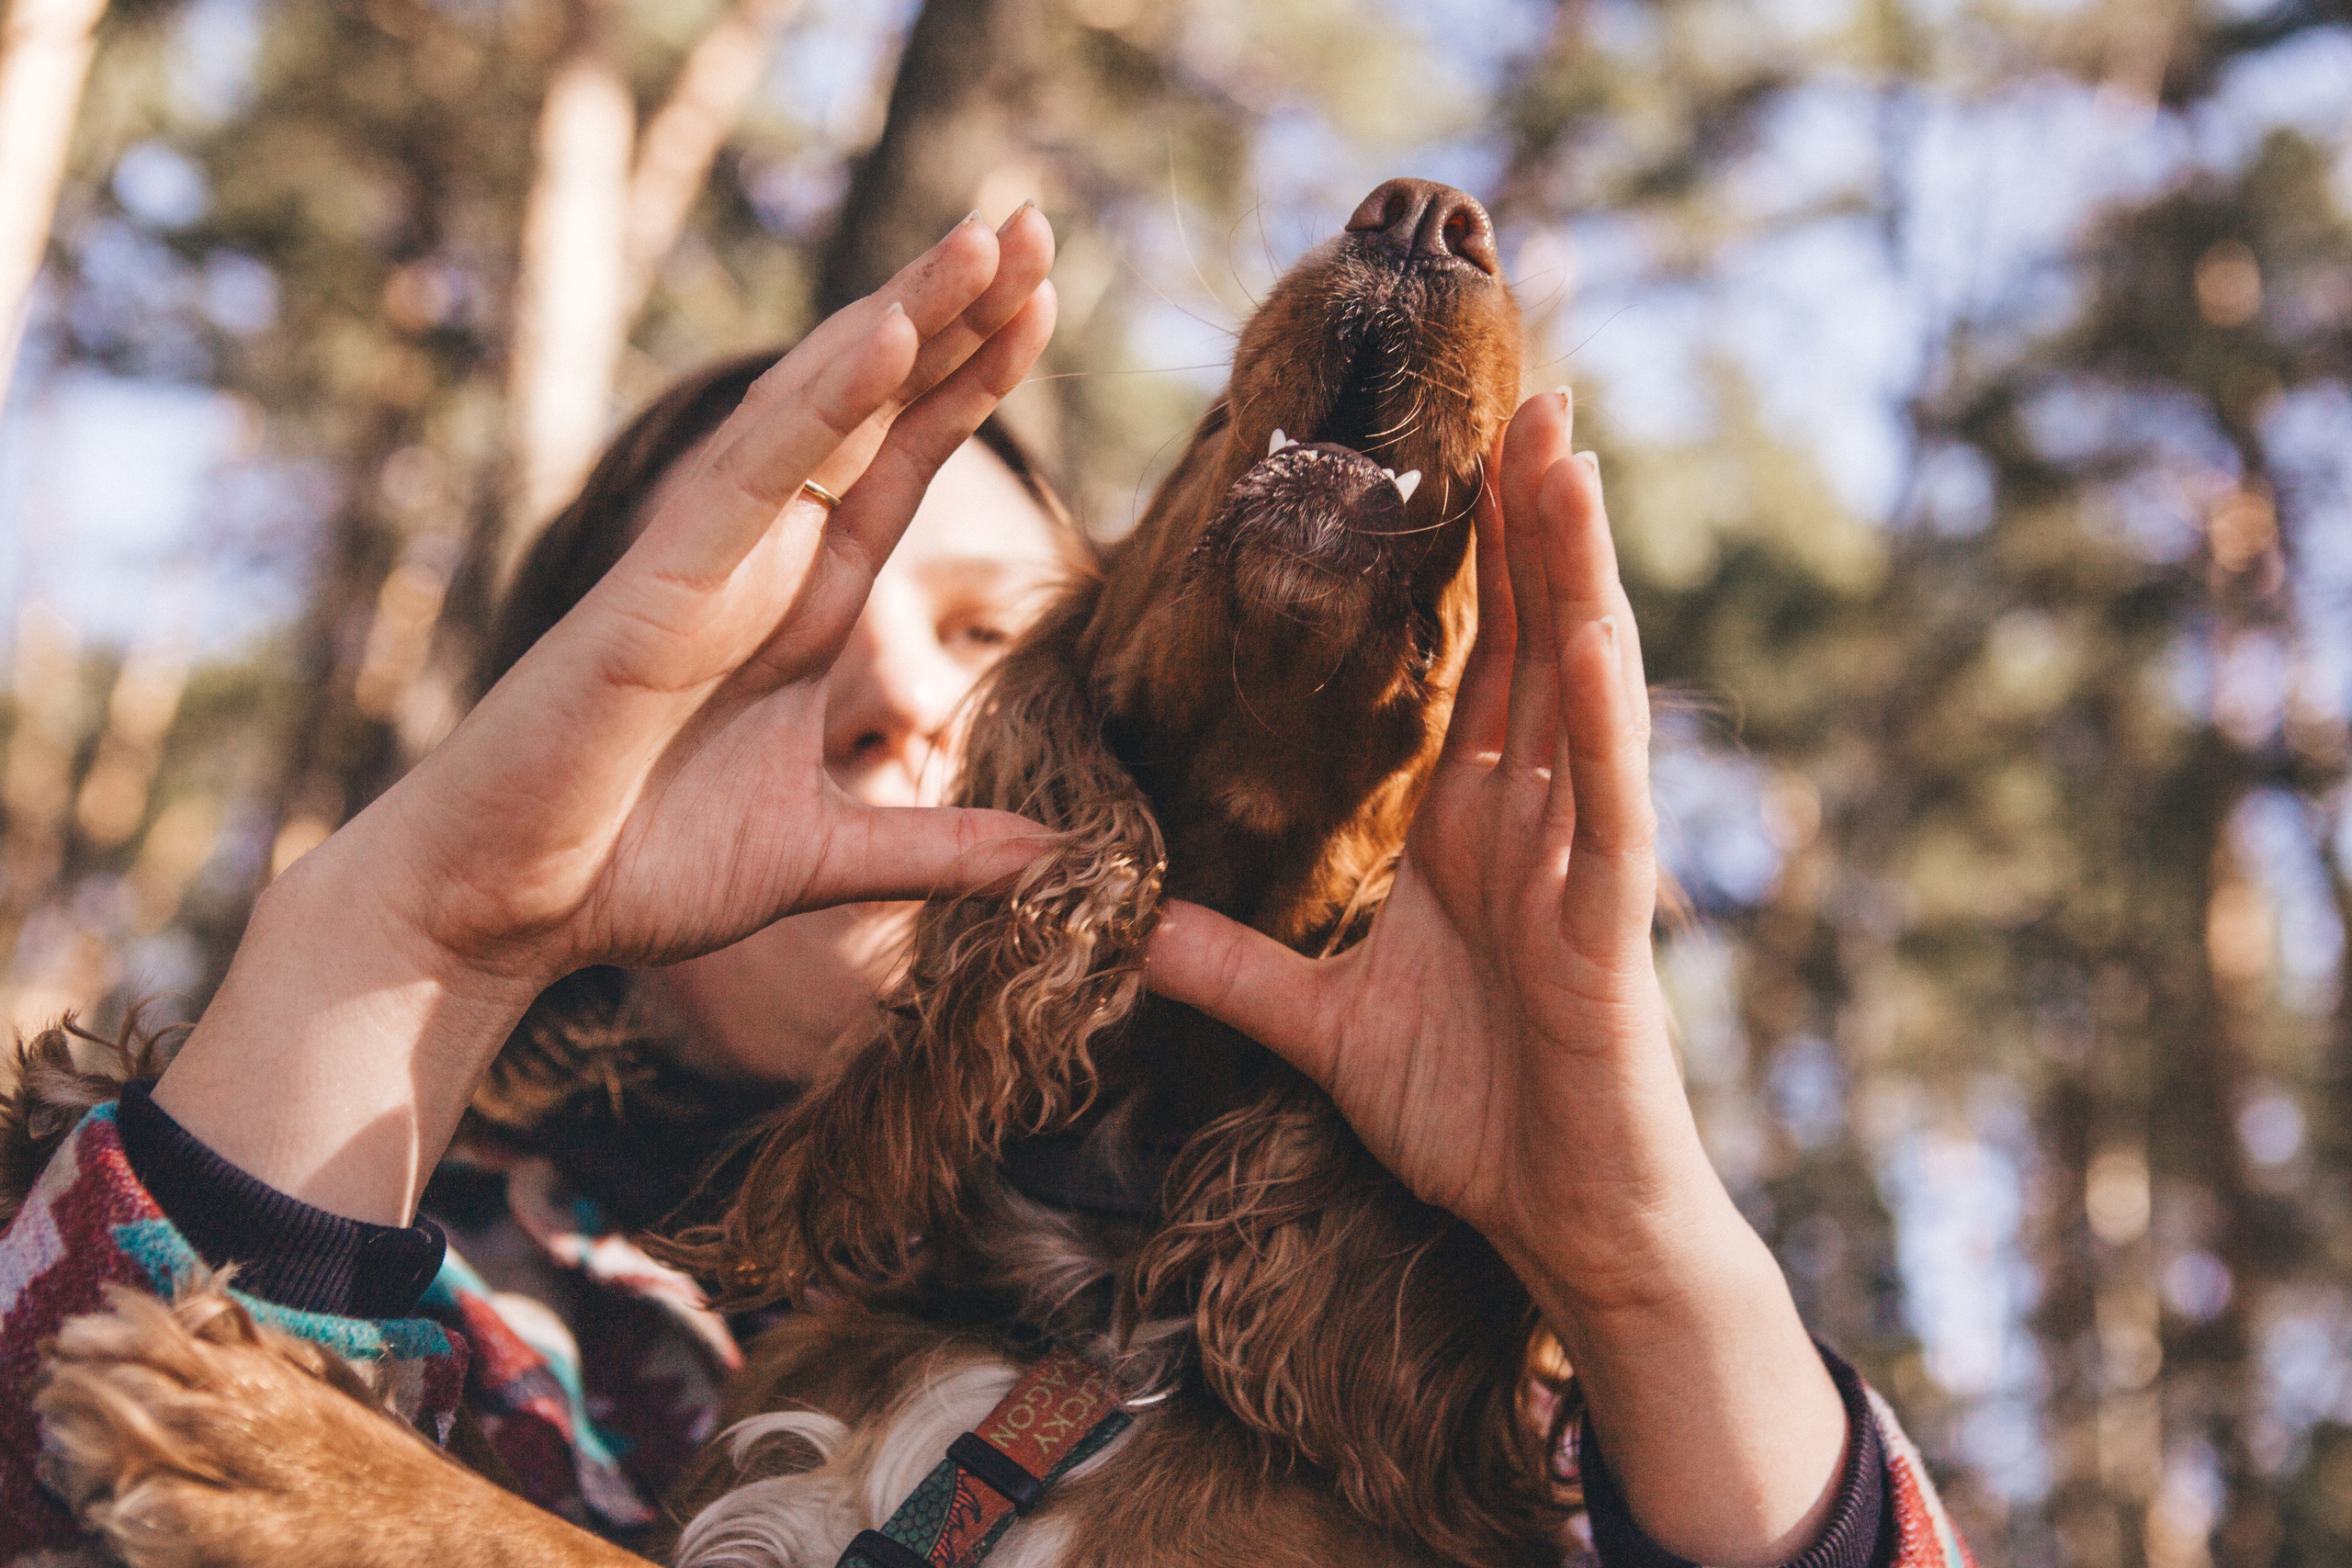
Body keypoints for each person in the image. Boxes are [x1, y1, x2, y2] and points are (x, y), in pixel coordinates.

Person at [0, 208, 1968, 1568]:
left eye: (985, 627)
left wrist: (1639, 1261)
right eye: (766, 653)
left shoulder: (1498, 1411)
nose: (886, 696)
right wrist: (414, 929)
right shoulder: (500, 1309)